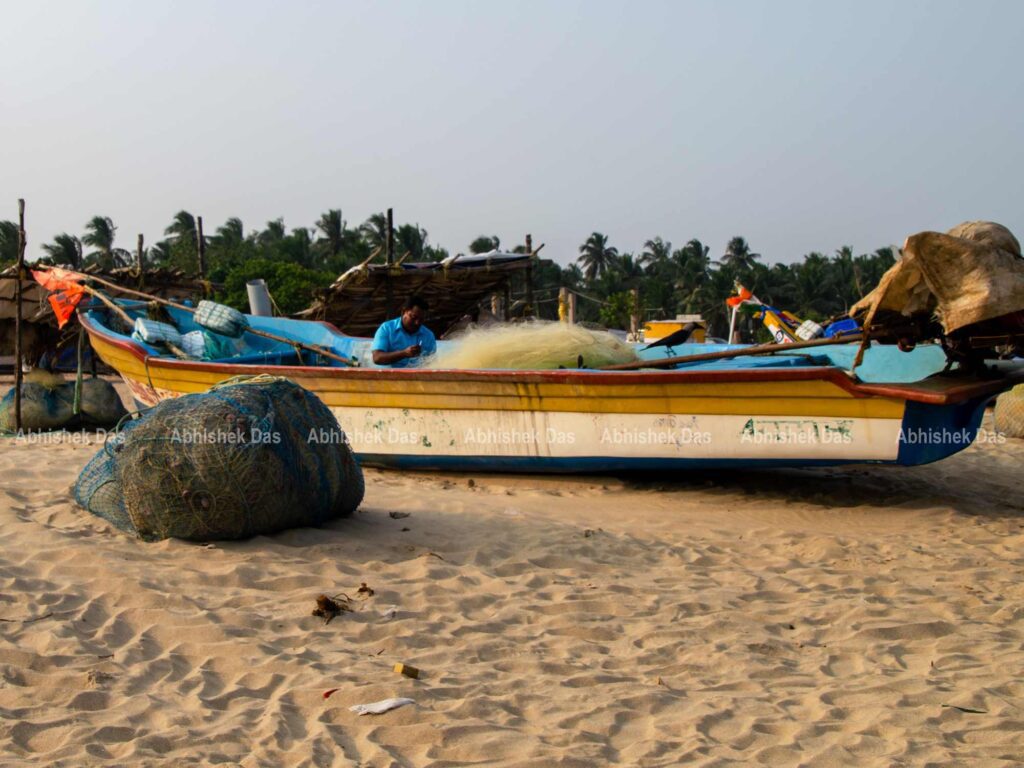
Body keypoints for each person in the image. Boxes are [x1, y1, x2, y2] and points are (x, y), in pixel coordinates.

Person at [371, 295, 437, 367]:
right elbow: (377, 358)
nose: (417, 323)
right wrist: (404, 353)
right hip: (388, 377)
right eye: (413, 317)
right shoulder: (387, 329)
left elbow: (431, 364)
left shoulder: (428, 336)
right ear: (403, 312)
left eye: (421, 320)